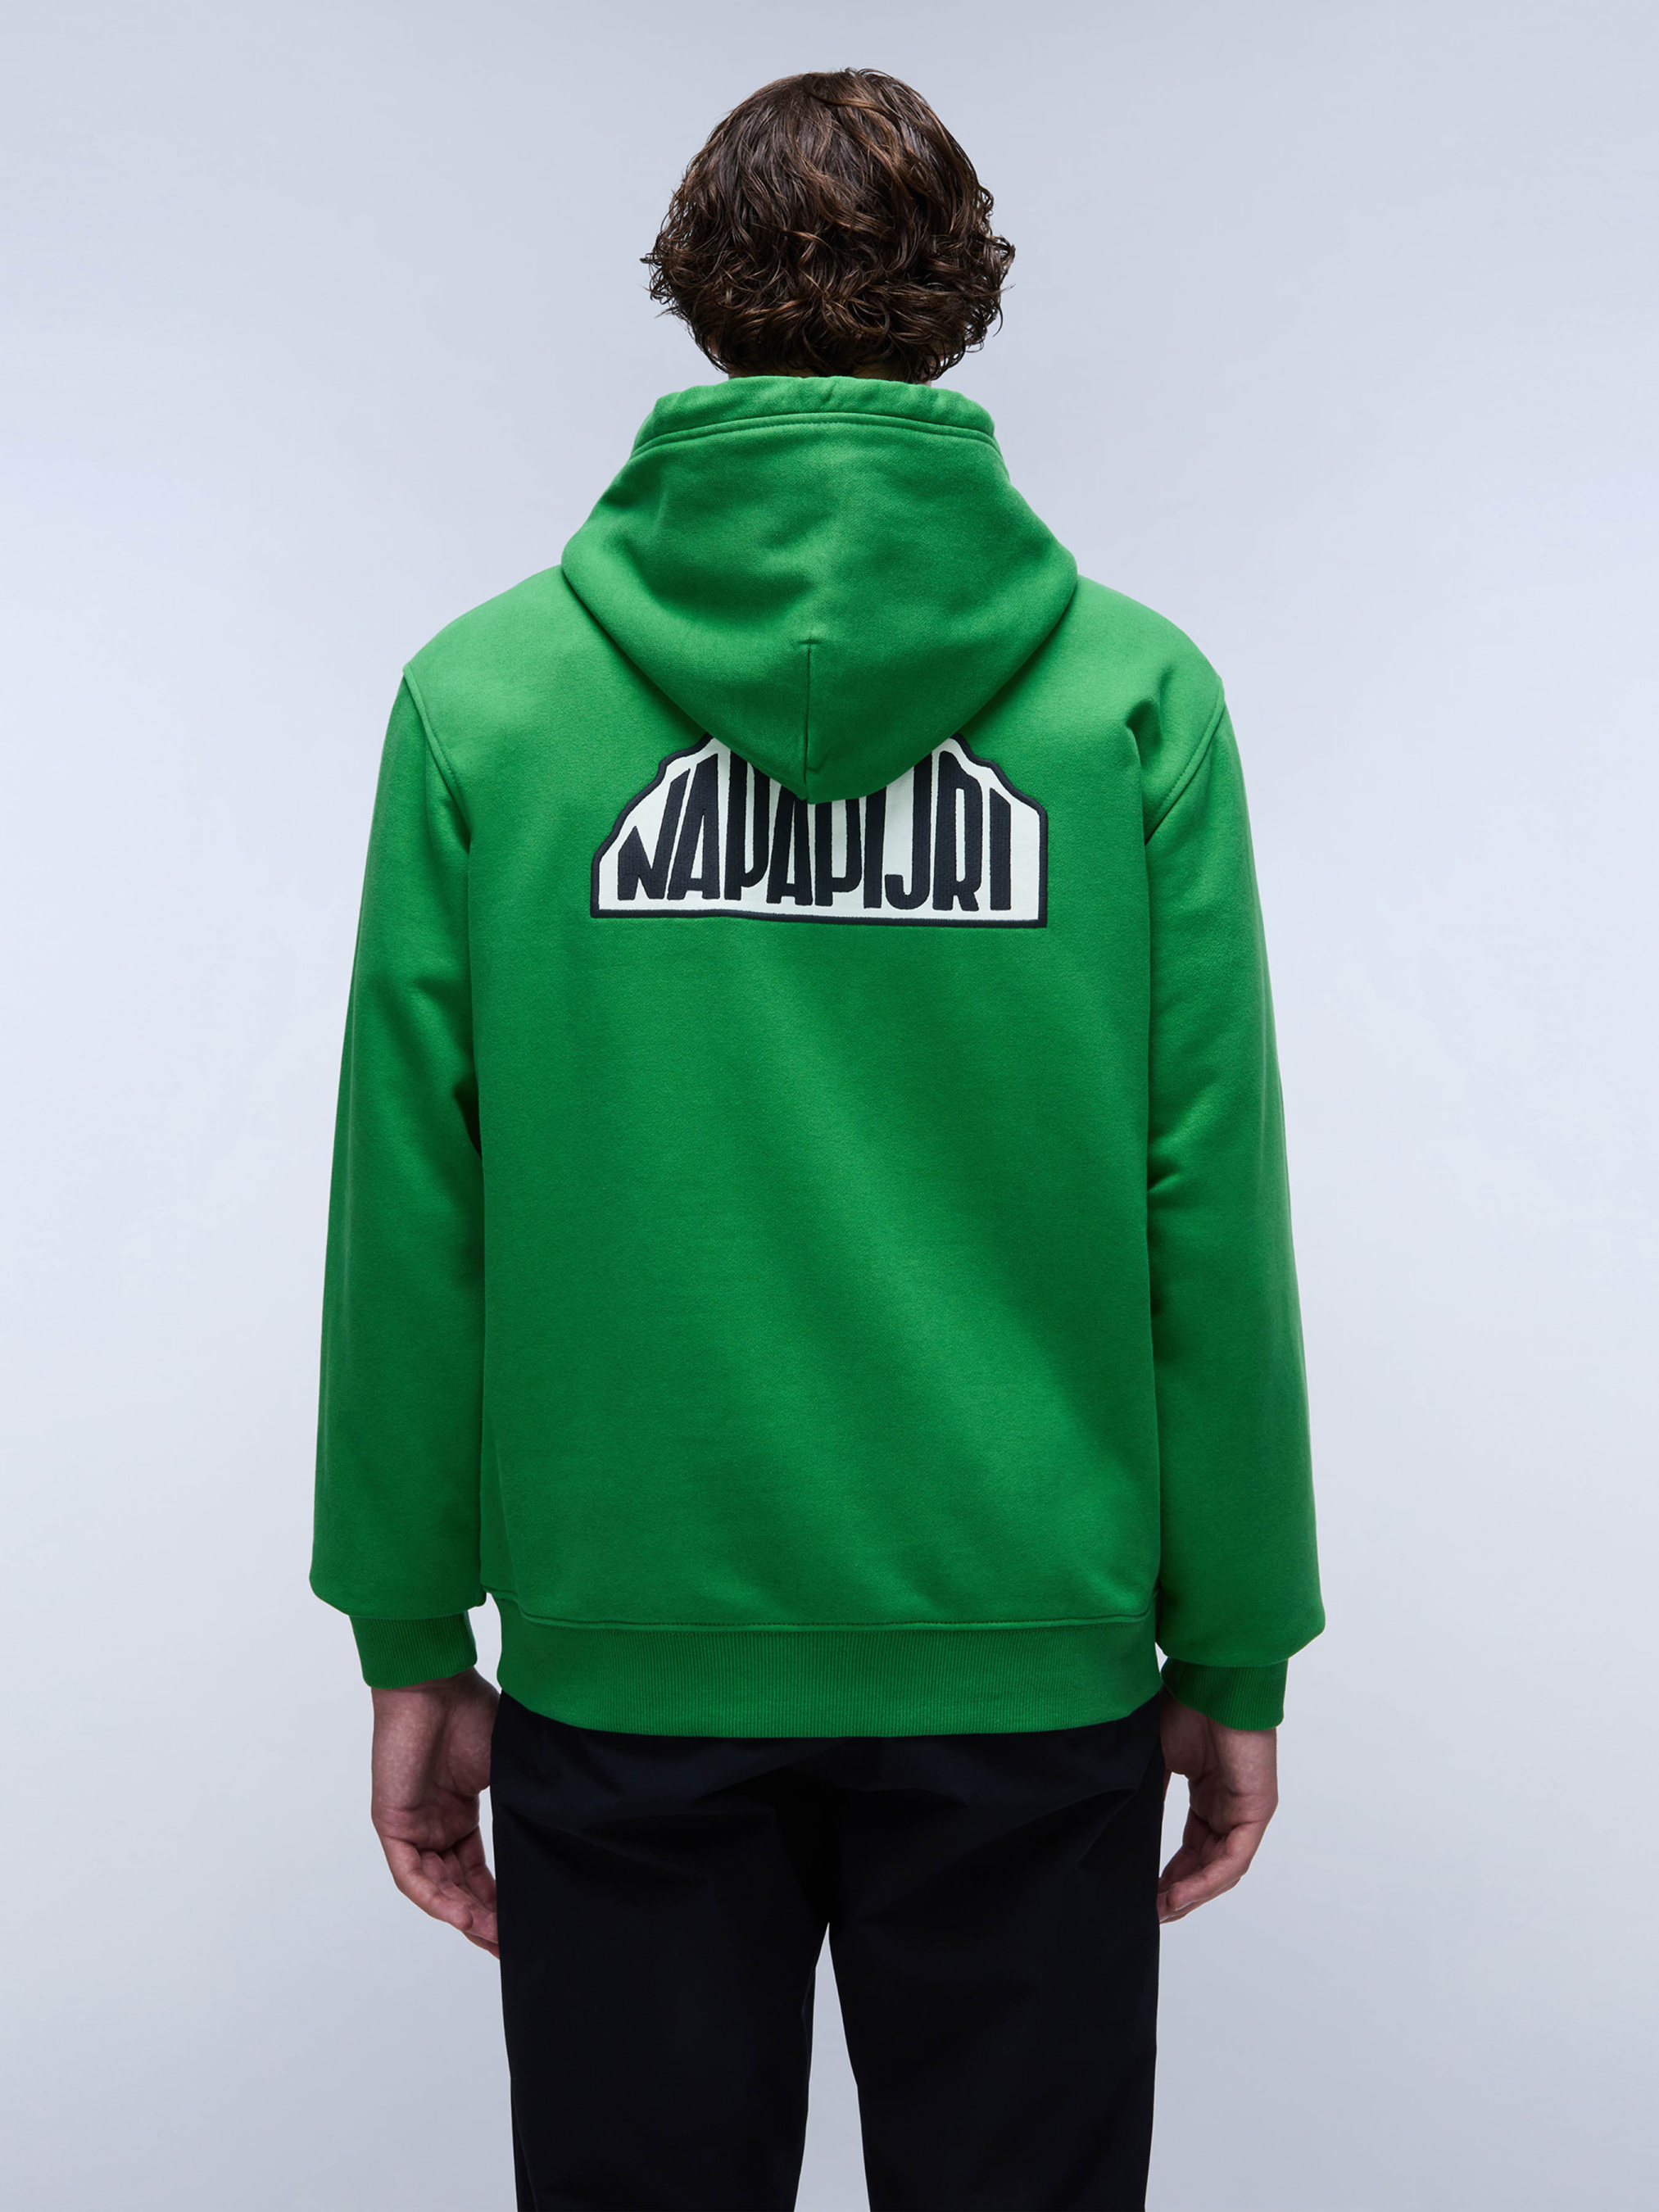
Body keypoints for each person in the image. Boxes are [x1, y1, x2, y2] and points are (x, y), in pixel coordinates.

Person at [312, 67, 1322, 2212]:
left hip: (630, 1654)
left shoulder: (488, 704)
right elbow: (1207, 1195)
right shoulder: (1129, 704)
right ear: (961, 303)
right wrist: (1233, 1640)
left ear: (694, 293)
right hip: (1024, 1652)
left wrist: (410, 1636)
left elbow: (416, 1205)